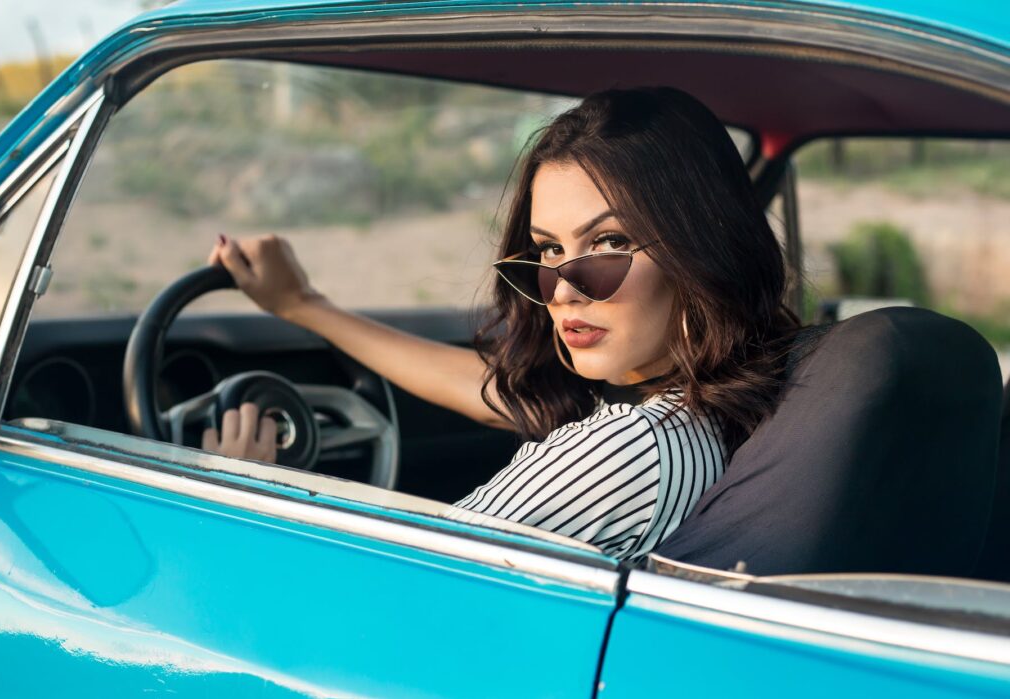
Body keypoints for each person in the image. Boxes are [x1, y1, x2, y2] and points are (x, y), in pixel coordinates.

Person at [203, 87, 801, 561]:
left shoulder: (627, 452)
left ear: (702, 251)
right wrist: (303, 304)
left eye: (609, 241)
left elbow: (386, 590)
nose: (563, 290)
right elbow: (501, 391)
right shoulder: (723, 409)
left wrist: (243, 489)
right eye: (548, 250)